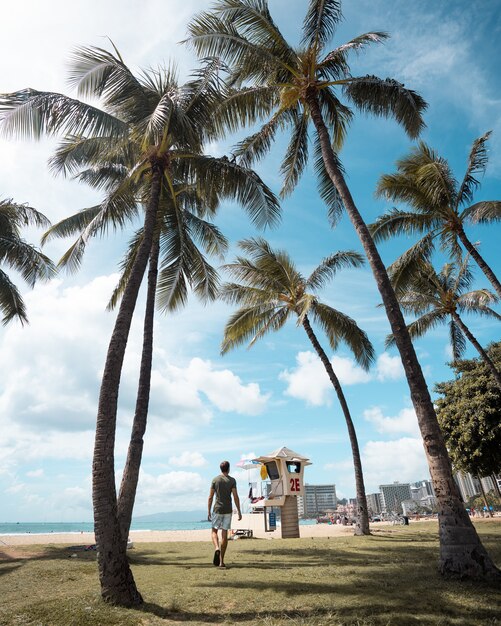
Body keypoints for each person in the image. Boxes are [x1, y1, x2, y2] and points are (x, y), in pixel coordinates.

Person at [208, 460, 242, 569]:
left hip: (217, 509)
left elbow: (210, 497)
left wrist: (208, 510)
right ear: (229, 469)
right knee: (224, 534)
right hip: (228, 510)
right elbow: (235, 497)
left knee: (214, 531)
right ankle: (221, 562)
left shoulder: (215, 480)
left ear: (220, 469)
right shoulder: (232, 480)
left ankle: (216, 548)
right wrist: (239, 511)